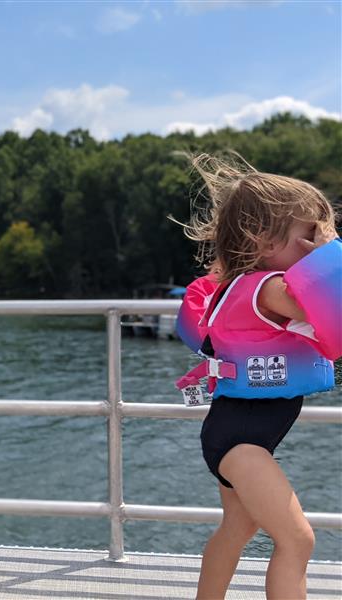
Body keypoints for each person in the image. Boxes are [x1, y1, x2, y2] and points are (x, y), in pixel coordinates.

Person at [174, 154, 341, 599]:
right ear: (264, 241)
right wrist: (330, 253)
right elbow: (332, 304)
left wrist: (316, 246)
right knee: (298, 539)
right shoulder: (270, 288)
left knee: (237, 528)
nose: (319, 243)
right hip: (242, 443)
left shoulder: (247, 284)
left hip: (234, 432)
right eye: (309, 234)